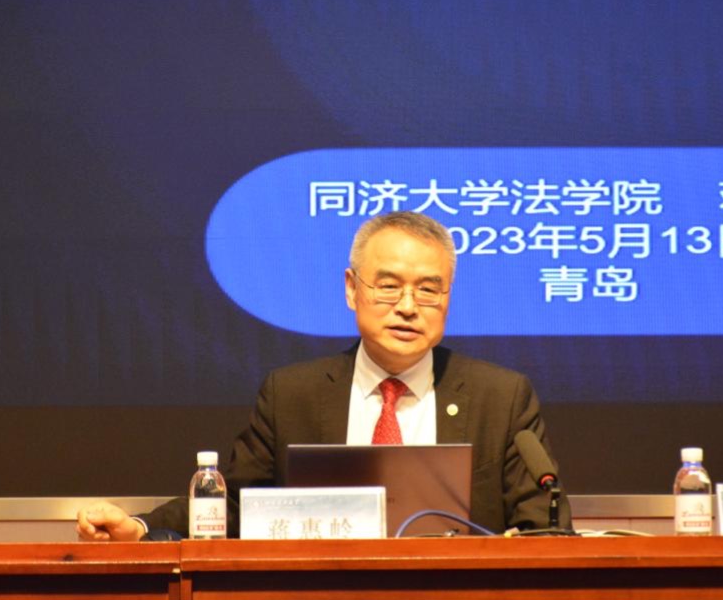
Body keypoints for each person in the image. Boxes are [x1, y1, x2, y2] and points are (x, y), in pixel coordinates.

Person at [77, 211, 569, 540]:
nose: (407, 306)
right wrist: (140, 528)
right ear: (352, 289)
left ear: (448, 297)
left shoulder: (500, 397)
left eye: (428, 290)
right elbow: (234, 507)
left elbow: (544, 526)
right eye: (388, 286)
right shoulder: (292, 394)